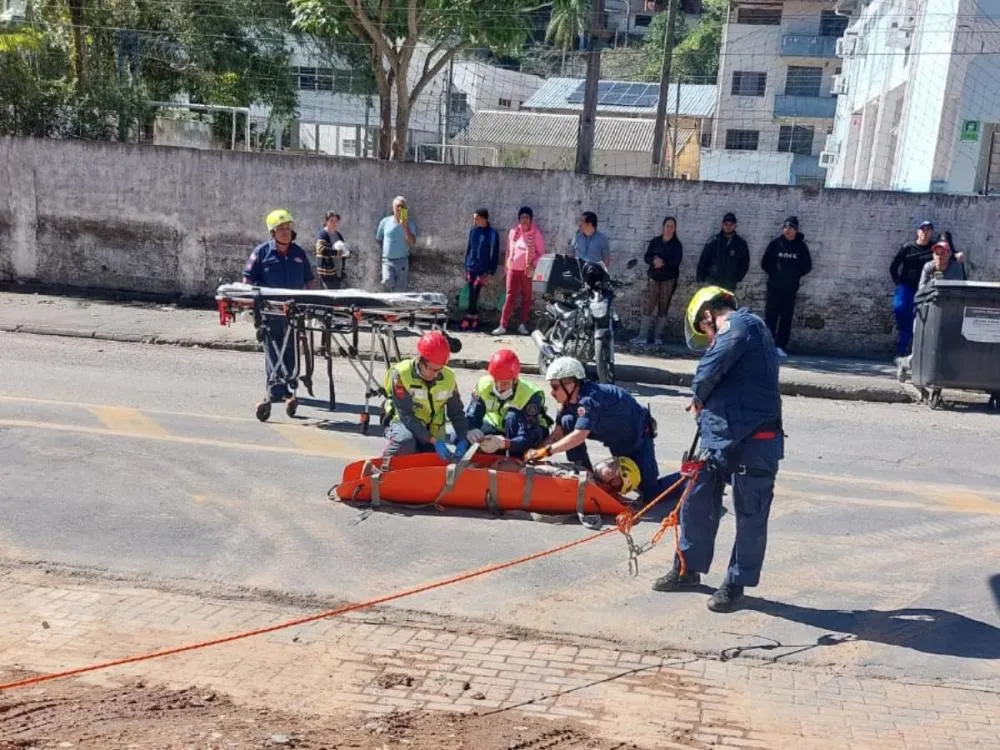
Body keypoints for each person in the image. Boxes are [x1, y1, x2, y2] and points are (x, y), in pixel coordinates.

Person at [652, 286, 783, 613]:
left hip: (756, 439)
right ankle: (687, 567)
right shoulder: (737, 334)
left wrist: (698, 394)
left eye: (705, 329)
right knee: (696, 497)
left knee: (751, 512)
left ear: (710, 313)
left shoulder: (743, 325)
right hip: (722, 436)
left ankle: (736, 582)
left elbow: (711, 367)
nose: (708, 337)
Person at [525, 356, 677, 503]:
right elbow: (557, 434)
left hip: (637, 438)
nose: (552, 392)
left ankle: (690, 476)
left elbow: (579, 436)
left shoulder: (590, 399)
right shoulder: (567, 403)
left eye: (555, 387)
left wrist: (548, 451)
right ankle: (584, 471)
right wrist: (535, 453)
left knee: (650, 493)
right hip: (615, 439)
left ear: (570, 383)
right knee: (567, 421)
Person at [242, 209, 317, 403]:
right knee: (274, 348)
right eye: (281, 229)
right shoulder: (262, 253)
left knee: (291, 348)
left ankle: (289, 387)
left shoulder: (298, 253)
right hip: (270, 311)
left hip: (293, 311)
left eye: (288, 228)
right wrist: (250, 303)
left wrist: (309, 302)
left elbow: (309, 280)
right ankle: (276, 388)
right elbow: (247, 279)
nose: (285, 232)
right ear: (272, 232)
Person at [382, 330, 469, 460]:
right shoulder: (401, 374)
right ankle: (382, 467)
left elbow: (456, 413)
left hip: (433, 432)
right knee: (406, 442)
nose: (434, 374)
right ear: (420, 359)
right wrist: (433, 440)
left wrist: (463, 438)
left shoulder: (448, 377)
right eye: (431, 369)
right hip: (403, 424)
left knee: (431, 463)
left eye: (438, 370)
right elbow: (405, 415)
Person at [897, 241, 968, 383]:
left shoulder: (956, 269)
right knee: (922, 347)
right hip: (927, 312)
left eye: (943, 253)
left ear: (949, 255)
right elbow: (921, 290)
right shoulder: (928, 268)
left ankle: (942, 376)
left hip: (948, 314)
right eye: (936, 254)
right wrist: (934, 283)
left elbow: (961, 289)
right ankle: (905, 364)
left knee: (947, 346)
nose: (939, 257)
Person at [465, 349, 551, 458]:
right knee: (459, 437)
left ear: (515, 380)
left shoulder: (530, 396)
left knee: (512, 417)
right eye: (496, 381)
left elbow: (526, 437)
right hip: (498, 426)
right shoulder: (483, 386)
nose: (500, 387)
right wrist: (471, 429)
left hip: (528, 433)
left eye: (505, 383)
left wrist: (504, 443)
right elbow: (472, 414)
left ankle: (515, 461)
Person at [760, 216, 812, 358]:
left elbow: (807, 266)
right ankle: (767, 345)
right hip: (774, 288)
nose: (788, 230)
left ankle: (780, 346)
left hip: (790, 289)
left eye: (791, 228)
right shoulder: (775, 244)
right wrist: (776, 275)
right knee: (770, 316)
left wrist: (793, 276)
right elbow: (765, 263)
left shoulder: (801, 247)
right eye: (786, 227)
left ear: (796, 230)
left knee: (786, 318)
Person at [494, 206, 545, 336]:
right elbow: (509, 252)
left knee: (527, 297)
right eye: (522, 217)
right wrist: (507, 268)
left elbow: (541, 253)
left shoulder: (536, 234)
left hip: (527, 271)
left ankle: (522, 324)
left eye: (527, 217)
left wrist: (532, 264)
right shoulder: (513, 232)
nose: (525, 220)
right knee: (510, 296)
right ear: (519, 219)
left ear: (531, 219)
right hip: (513, 269)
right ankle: (502, 325)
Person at [633, 216, 683, 347]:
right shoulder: (655, 242)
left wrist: (663, 263)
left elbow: (676, 261)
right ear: (663, 227)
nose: (669, 228)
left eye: (672, 226)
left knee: (663, 306)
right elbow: (647, 257)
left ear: (675, 229)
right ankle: (642, 336)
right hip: (654, 278)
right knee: (648, 305)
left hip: (668, 279)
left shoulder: (677, 245)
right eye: (667, 226)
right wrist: (653, 262)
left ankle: (657, 337)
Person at [889, 220, 935, 360]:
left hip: (924, 289)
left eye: (928, 230)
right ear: (918, 232)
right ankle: (902, 344)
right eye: (923, 230)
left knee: (920, 320)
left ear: (931, 233)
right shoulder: (908, 247)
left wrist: (957, 254)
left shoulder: (933, 248)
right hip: (906, 287)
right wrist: (898, 283)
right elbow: (893, 267)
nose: (925, 233)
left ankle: (909, 353)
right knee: (900, 309)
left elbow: (947, 253)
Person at [461, 209, 500, 331]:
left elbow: (494, 254)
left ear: (484, 218)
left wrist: (490, 272)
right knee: (473, 292)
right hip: (471, 267)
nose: (474, 221)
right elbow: (469, 249)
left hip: (482, 270)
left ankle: (470, 317)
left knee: (475, 292)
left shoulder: (492, 234)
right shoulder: (473, 231)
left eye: (476, 218)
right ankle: (472, 316)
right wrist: (466, 267)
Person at [696, 212, 749, 290]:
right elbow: (704, 260)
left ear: (735, 226)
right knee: (712, 302)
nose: (728, 227)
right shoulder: (713, 241)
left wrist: (737, 277)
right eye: (726, 224)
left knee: (727, 302)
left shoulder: (740, 244)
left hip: (729, 284)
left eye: (731, 224)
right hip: (712, 282)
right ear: (722, 225)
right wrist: (700, 277)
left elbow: (745, 263)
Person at [376, 196, 418, 293]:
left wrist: (405, 227)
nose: (400, 209)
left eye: (402, 207)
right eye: (398, 206)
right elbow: (379, 238)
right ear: (393, 208)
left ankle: (396, 307)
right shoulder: (385, 222)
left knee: (400, 290)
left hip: (402, 261)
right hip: (387, 261)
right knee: (387, 282)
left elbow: (412, 242)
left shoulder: (410, 224)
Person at [315, 211, 350, 290]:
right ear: (326, 221)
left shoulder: (338, 235)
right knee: (329, 297)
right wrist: (337, 252)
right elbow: (321, 249)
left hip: (337, 271)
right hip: (326, 273)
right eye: (331, 221)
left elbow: (343, 250)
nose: (334, 223)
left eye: (336, 221)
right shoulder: (323, 234)